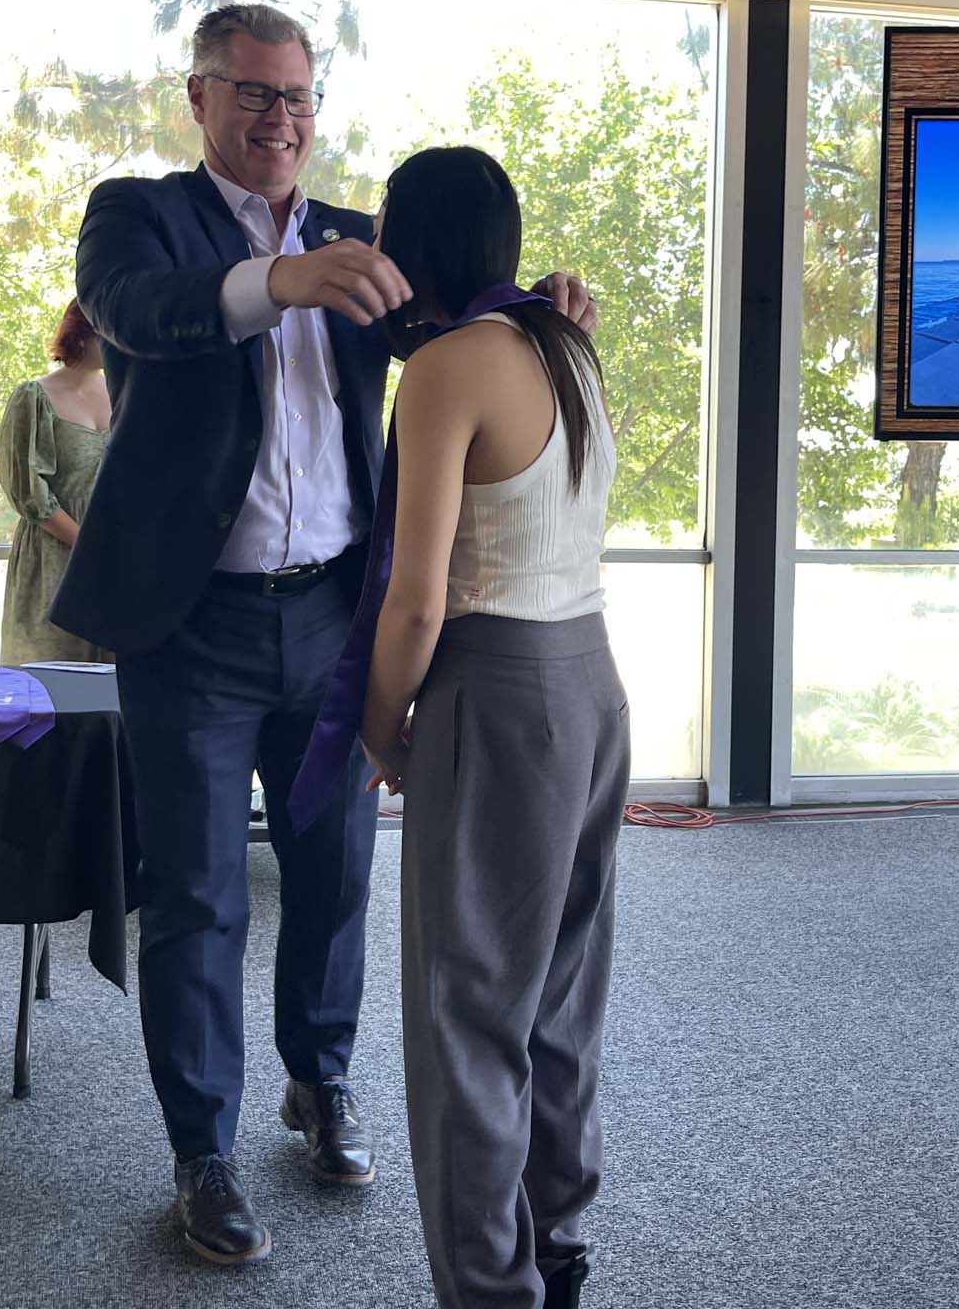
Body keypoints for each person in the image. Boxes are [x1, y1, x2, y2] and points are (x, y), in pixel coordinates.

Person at [48, 3, 595, 1267]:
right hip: (191, 625)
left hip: (336, 614)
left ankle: (320, 1080)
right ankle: (204, 1150)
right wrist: (278, 282)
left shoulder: (365, 236)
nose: (282, 119)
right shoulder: (138, 213)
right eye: (255, 95)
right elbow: (140, 309)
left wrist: (537, 303)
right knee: (195, 894)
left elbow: (456, 324)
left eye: (300, 98)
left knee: (337, 874)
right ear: (200, 96)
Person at [360, 147, 629, 1309]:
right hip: (593, 680)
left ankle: (488, 1289)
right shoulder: (566, 346)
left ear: (407, 242)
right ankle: (554, 1240)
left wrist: (380, 727)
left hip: (496, 690)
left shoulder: (443, 368)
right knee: (561, 988)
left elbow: (417, 597)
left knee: (465, 1007)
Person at [0, 299, 112, 665]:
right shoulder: (34, 397)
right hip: (53, 557)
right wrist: (89, 545)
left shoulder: (126, 393)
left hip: (114, 555)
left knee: (115, 693)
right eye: (109, 333)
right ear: (81, 335)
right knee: (51, 687)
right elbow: (30, 494)